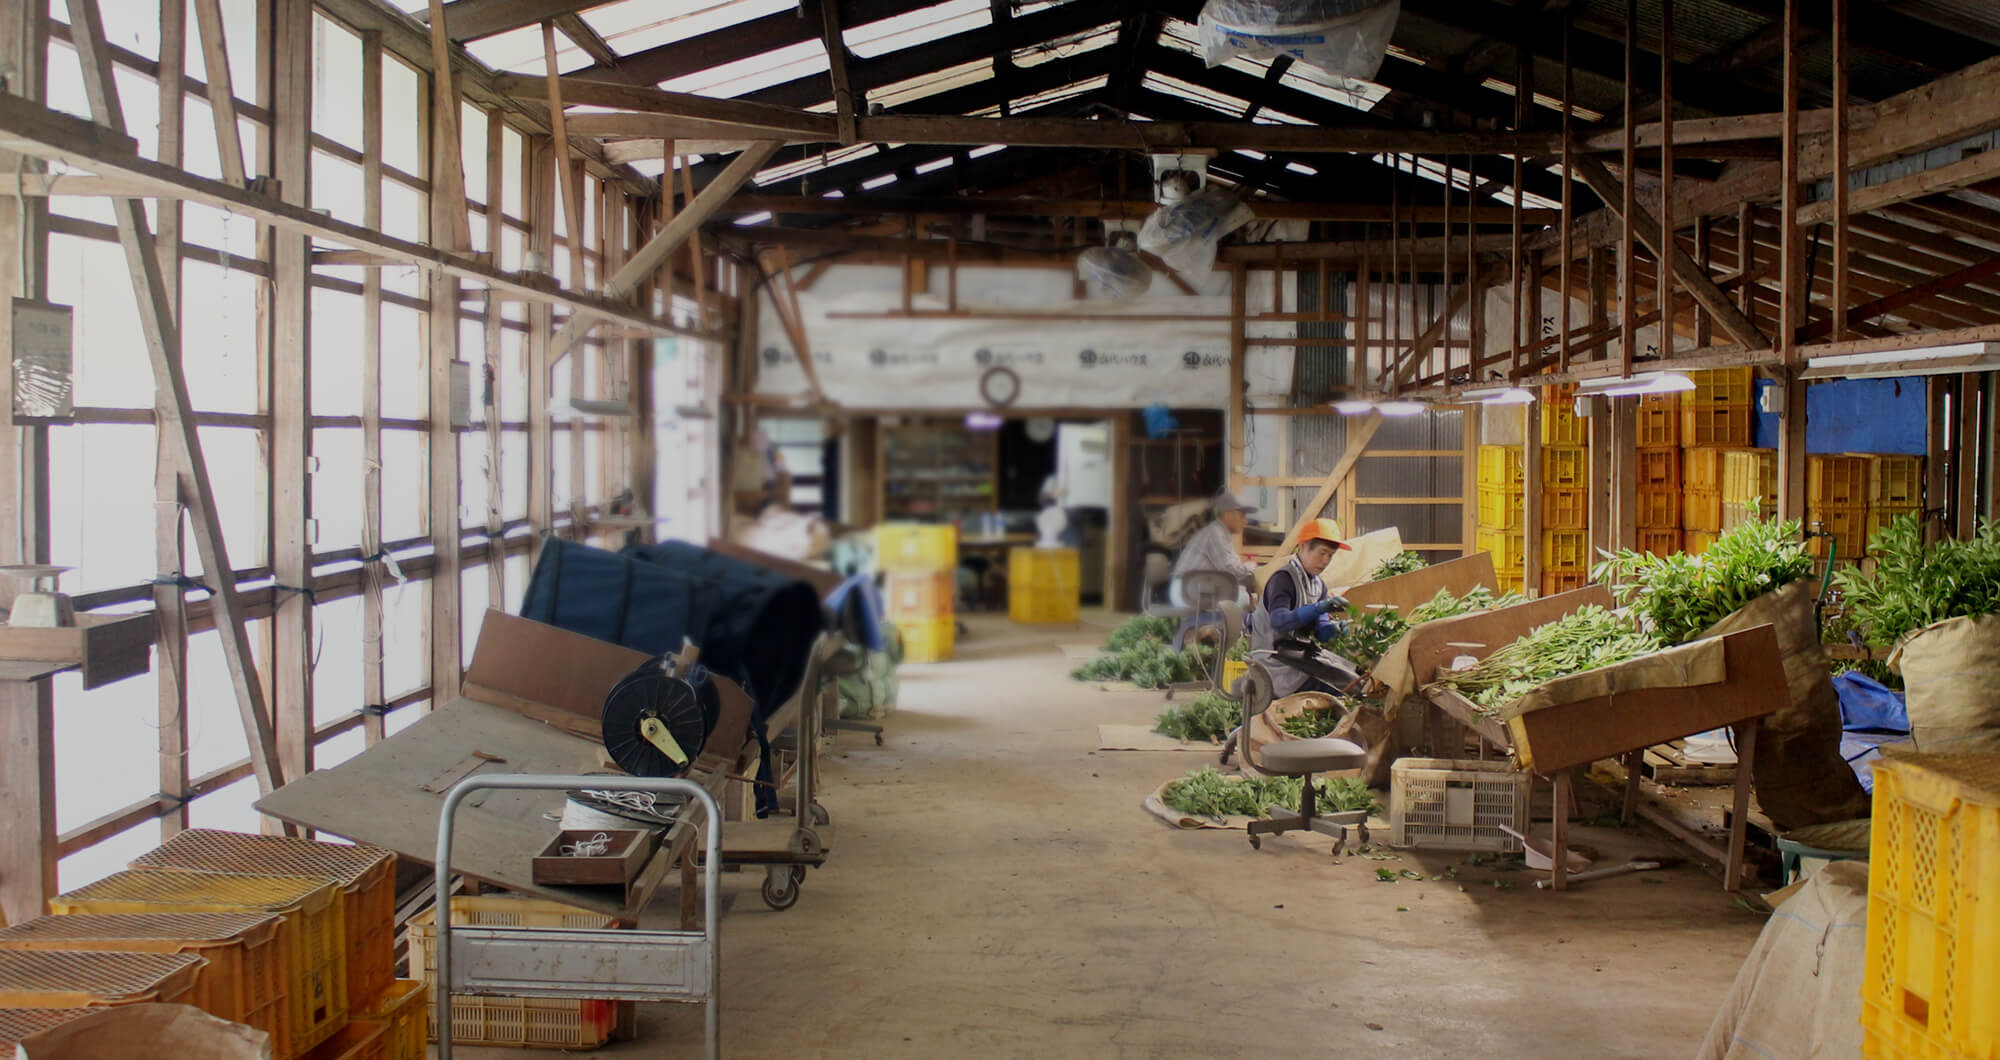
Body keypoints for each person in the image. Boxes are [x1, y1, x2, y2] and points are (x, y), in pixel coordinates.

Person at [1258, 517, 1354, 697]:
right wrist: (1318, 608)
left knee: (1352, 677)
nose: (1326, 560)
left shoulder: (1319, 586)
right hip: (1273, 659)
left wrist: (1335, 629)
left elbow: (1321, 631)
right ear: (1302, 547)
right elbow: (1279, 622)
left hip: (1295, 654)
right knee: (1341, 689)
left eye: (1330, 556)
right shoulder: (1283, 579)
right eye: (1322, 553)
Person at [1168, 491, 1258, 608]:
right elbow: (1231, 571)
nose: (1245, 521)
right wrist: (1253, 568)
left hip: (1196, 588)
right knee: (1242, 600)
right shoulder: (1215, 534)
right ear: (1228, 514)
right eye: (1242, 516)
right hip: (1186, 591)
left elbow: (1236, 573)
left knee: (1243, 596)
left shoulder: (1222, 535)